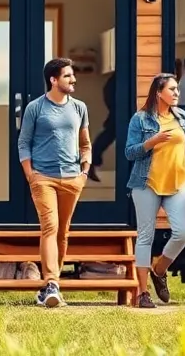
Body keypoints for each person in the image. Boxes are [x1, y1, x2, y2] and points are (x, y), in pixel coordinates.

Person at [124, 73, 185, 308]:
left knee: (183, 232)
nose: (177, 93)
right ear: (159, 93)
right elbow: (130, 152)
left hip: (179, 182)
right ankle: (142, 293)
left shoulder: (183, 118)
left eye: (177, 89)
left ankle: (159, 270)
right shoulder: (140, 120)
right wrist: (152, 141)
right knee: (145, 236)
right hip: (146, 183)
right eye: (172, 89)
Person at [17, 57, 91, 308]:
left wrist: (84, 172)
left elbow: (85, 144)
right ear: (53, 80)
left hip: (72, 178)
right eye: (68, 76)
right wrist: (31, 174)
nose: (73, 80)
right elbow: (23, 143)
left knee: (63, 232)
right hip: (43, 178)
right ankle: (51, 282)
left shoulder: (80, 107)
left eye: (72, 75)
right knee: (50, 227)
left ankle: (51, 286)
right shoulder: (35, 108)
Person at [88, 74, 117, 182]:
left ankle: (90, 161)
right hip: (118, 101)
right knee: (110, 133)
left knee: (110, 133)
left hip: (116, 100)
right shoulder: (120, 77)